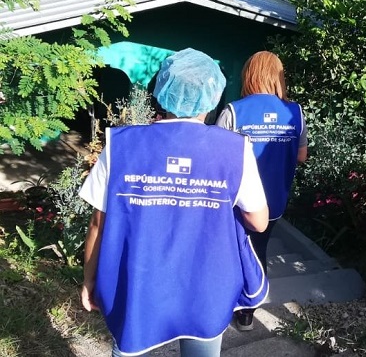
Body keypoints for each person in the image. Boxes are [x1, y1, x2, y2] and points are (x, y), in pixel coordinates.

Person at [79, 48, 270, 357]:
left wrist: (90, 279)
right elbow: (259, 221)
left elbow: (99, 223)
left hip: (139, 285)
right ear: (212, 95)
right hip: (205, 288)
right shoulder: (234, 149)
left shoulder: (121, 145)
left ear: (162, 92)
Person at [215, 50, 307, 331]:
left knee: (232, 250)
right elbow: (301, 156)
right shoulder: (295, 112)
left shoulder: (233, 111)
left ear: (249, 75)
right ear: (279, 76)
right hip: (275, 200)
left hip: (236, 202)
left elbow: (217, 156)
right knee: (259, 249)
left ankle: (227, 305)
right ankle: (247, 313)